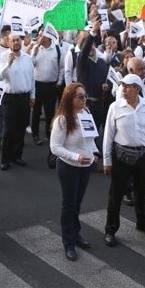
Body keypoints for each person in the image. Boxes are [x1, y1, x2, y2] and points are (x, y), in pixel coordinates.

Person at [102, 74, 145, 246]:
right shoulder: (115, 107)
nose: (123, 89)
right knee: (116, 194)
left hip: (144, 156)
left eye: (128, 86)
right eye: (122, 86)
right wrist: (107, 161)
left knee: (141, 191)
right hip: (121, 156)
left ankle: (143, 223)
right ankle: (111, 229)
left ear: (137, 89)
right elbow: (108, 136)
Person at [50, 82, 99, 261]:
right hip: (69, 167)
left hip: (85, 166)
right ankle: (68, 242)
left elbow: (90, 138)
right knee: (69, 204)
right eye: (80, 96)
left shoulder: (86, 113)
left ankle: (76, 234)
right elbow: (55, 147)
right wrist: (75, 157)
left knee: (77, 203)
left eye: (85, 96)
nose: (84, 99)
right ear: (70, 98)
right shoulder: (63, 119)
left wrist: (95, 152)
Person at [0, 33, 35, 171]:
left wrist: (32, 96)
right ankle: (5, 159)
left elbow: (32, 79)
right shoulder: (2, 57)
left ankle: (17, 156)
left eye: (18, 40)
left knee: (21, 128)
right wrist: (8, 63)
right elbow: (0, 76)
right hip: (9, 98)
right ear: (8, 42)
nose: (16, 42)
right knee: (9, 130)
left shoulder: (27, 58)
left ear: (21, 41)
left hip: (24, 97)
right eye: (13, 40)